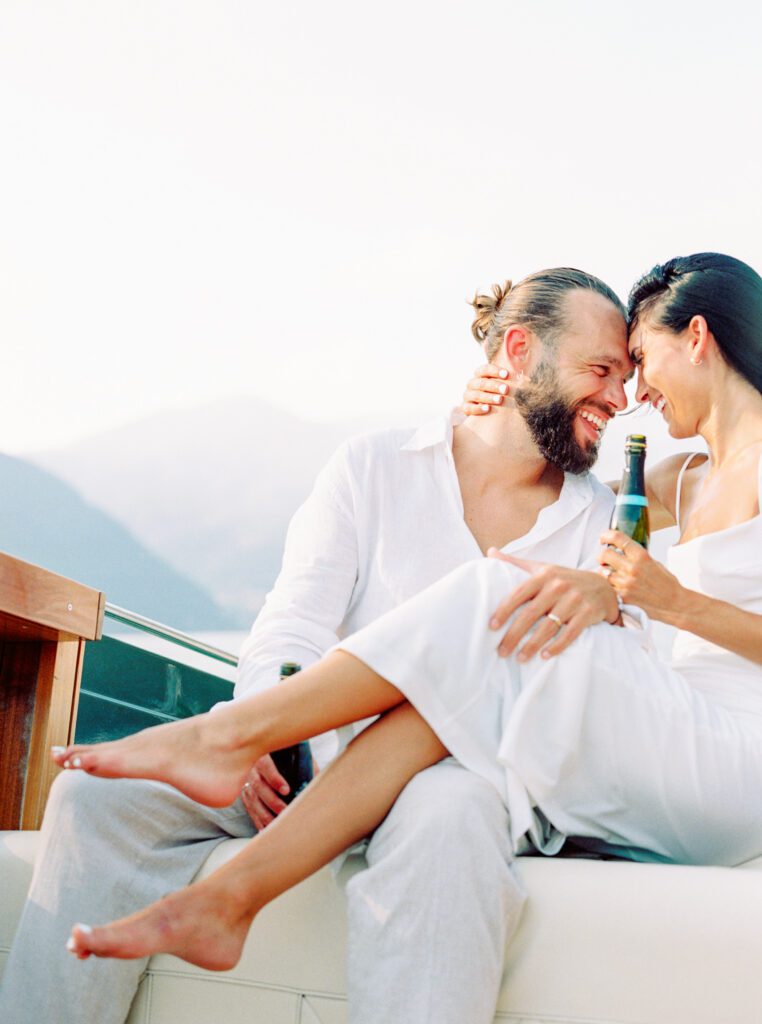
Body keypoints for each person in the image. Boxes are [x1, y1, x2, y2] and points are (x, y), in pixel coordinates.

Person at [52, 253, 762, 981]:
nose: (629, 395)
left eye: (636, 364)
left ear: (698, 338)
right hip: (326, 753)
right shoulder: (661, 482)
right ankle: (238, 795)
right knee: (91, 797)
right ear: (519, 354)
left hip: (551, 771)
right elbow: (295, 616)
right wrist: (501, 408)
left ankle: (224, 741)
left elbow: (629, 635)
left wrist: (648, 599)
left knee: (489, 624)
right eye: (608, 369)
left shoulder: (606, 516)